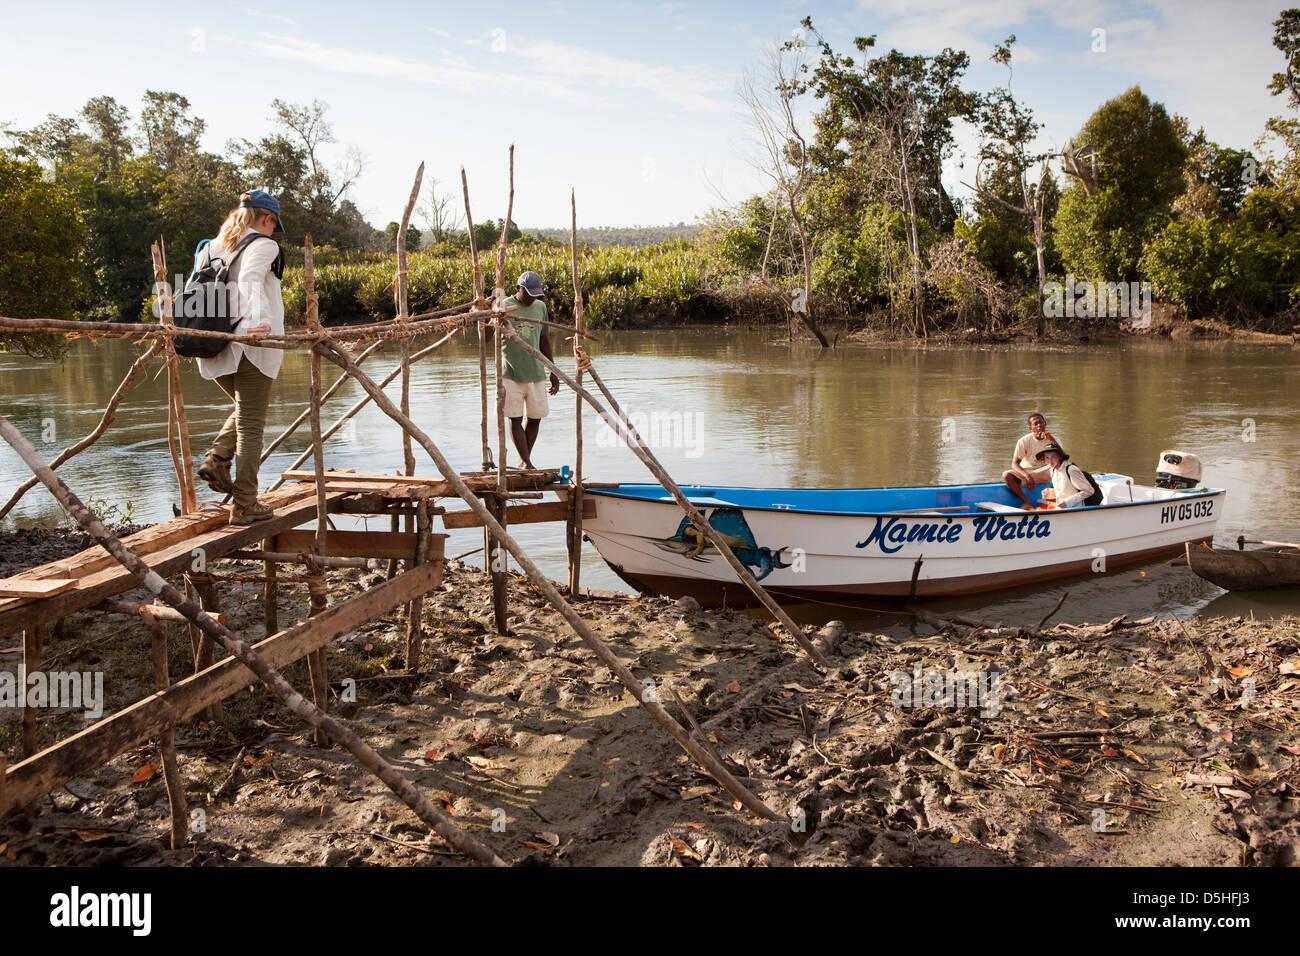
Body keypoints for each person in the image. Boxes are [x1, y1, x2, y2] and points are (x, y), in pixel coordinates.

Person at [193, 190, 286, 525]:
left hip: (211, 347)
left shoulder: (210, 247)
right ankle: (245, 504)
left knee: (245, 410)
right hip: (250, 345)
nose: (274, 232)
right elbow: (249, 279)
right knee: (251, 424)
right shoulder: (263, 244)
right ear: (267, 219)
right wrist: (260, 319)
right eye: (274, 225)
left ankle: (217, 458)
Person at [489, 270, 560, 470]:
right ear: (518, 289)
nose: (532, 298)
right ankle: (527, 462)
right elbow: (487, 334)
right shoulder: (503, 305)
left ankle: (524, 460)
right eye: (528, 293)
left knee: (536, 418)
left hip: (536, 371)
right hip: (511, 373)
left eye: (535, 295)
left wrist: (552, 371)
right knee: (515, 418)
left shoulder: (540, 307)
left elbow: (544, 339)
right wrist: (490, 308)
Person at [1002, 412, 1059, 509]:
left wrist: (1052, 440)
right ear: (1031, 428)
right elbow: (1014, 464)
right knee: (1007, 476)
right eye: (1035, 424)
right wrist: (1027, 475)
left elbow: (1063, 458)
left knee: (1059, 469)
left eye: (1041, 423)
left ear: (1045, 423)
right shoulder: (1024, 441)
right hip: (1030, 472)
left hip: (1047, 470)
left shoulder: (1053, 439)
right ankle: (1027, 502)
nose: (1039, 426)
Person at [1035, 442, 1102, 509]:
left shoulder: (1071, 470)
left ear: (1060, 456)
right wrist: (1050, 492)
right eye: (1047, 457)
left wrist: (1068, 502)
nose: (1050, 461)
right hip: (1061, 508)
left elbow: (1089, 491)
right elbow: (1064, 491)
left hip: (1075, 510)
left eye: (1053, 457)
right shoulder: (1052, 470)